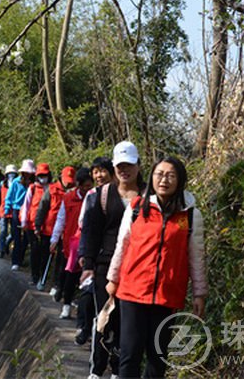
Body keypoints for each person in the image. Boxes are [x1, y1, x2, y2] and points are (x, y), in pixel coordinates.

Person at [106, 157, 207, 379]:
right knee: (129, 355)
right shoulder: (136, 209)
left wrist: (199, 292)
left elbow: (196, 257)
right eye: (159, 174)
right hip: (132, 292)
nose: (164, 180)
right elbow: (121, 246)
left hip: (166, 296)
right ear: (151, 177)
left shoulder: (190, 215)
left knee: (157, 359)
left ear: (180, 180)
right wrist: (113, 279)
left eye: (171, 175)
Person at [81, 141, 143, 379]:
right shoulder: (103, 195)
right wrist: (88, 264)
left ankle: (118, 369)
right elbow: (91, 230)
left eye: (129, 165)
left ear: (138, 165)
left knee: (126, 321)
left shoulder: (148, 195)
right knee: (104, 316)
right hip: (105, 266)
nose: (124, 170)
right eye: (119, 166)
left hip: (136, 268)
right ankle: (97, 370)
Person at [75, 156, 114, 346]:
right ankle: (84, 329)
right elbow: (85, 226)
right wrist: (85, 254)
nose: (99, 175)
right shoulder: (92, 196)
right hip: (95, 256)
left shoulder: (121, 196)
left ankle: (103, 341)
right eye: (95, 171)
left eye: (102, 170)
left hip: (112, 258)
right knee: (88, 295)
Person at [50, 167, 93, 317]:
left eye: (90, 186)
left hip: (89, 243)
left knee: (85, 279)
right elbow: (60, 219)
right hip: (72, 243)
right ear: (79, 185)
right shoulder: (68, 198)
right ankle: (66, 305)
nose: (88, 189)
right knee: (70, 275)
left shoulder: (95, 197)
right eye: (85, 186)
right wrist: (55, 239)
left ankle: (79, 308)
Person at [31, 163, 66, 291]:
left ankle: (56, 283)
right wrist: (38, 225)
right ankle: (40, 277)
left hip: (64, 231)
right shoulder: (51, 190)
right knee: (44, 255)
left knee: (60, 260)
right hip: (48, 229)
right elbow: (42, 209)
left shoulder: (72, 192)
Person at [6, 159, 34, 271]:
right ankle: (15, 261)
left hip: (29, 212)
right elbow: (9, 196)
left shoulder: (34, 184)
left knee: (27, 238)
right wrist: (7, 208)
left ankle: (21, 259)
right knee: (16, 236)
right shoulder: (16, 182)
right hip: (17, 210)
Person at [0, 164, 18, 258]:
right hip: (3, 210)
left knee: (14, 233)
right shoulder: (2, 184)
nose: (11, 175)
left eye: (13, 173)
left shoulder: (18, 184)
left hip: (14, 211)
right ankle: (1, 250)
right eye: (10, 173)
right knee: (3, 231)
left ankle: (6, 243)